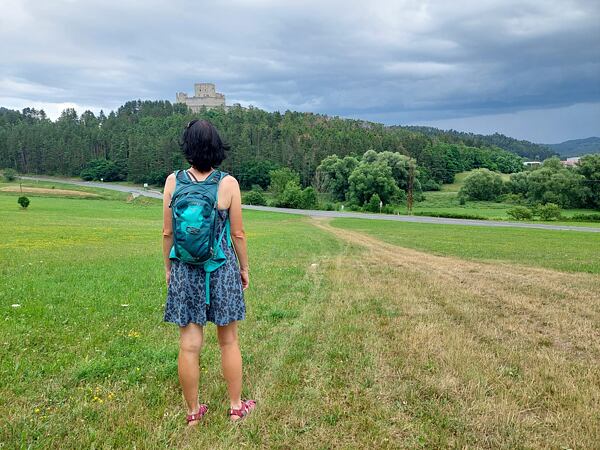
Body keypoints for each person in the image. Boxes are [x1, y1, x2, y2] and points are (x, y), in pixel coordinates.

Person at [162, 119, 255, 425]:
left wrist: (168, 269)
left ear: (187, 147)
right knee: (228, 340)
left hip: (185, 269)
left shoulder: (173, 182)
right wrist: (244, 268)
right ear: (218, 147)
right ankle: (235, 406)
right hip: (221, 267)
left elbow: (167, 233)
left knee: (189, 345)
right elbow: (238, 234)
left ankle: (193, 413)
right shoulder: (228, 184)